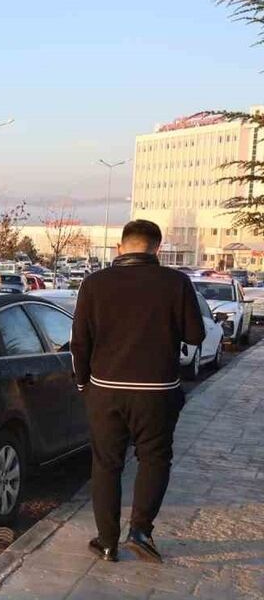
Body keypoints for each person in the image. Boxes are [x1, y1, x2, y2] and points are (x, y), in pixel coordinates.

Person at [71, 220, 204, 564]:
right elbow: (195, 336)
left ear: (120, 247)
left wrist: (84, 383)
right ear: (157, 249)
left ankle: (106, 541)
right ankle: (141, 531)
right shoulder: (177, 283)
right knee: (155, 459)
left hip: (106, 390)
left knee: (106, 465)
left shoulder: (94, 284)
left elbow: (79, 343)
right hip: (158, 391)